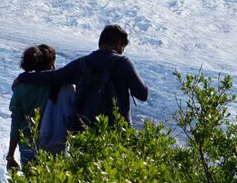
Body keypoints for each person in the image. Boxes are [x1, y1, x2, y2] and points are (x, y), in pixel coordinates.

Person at [16, 24, 150, 130]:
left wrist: (24, 77)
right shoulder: (123, 63)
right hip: (116, 132)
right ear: (118, 44)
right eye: (123, 47)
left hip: (84, 131)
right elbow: (142, 94)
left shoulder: (82, 63)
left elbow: (54, 76)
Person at [7, 44, 57, 170]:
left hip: (27, 147)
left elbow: (16, 123)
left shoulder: (20, 88)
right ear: (50, 63)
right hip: (54, 145)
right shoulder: (58, 84)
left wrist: (10, 155)